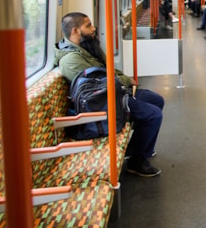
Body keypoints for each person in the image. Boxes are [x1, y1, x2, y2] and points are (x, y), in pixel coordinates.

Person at [54, 12, 164, 177]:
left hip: (115, 93)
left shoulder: (87, 48)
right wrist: (126, 85)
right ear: (76, 31)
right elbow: (98, 87)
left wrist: (126, 81)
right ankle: (136, 161)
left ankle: (136, 148)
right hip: (102, 103)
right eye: (88, 26)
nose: (93, 29)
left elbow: (108, 69)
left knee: (157, 100)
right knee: (153, 115)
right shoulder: (70, 60)